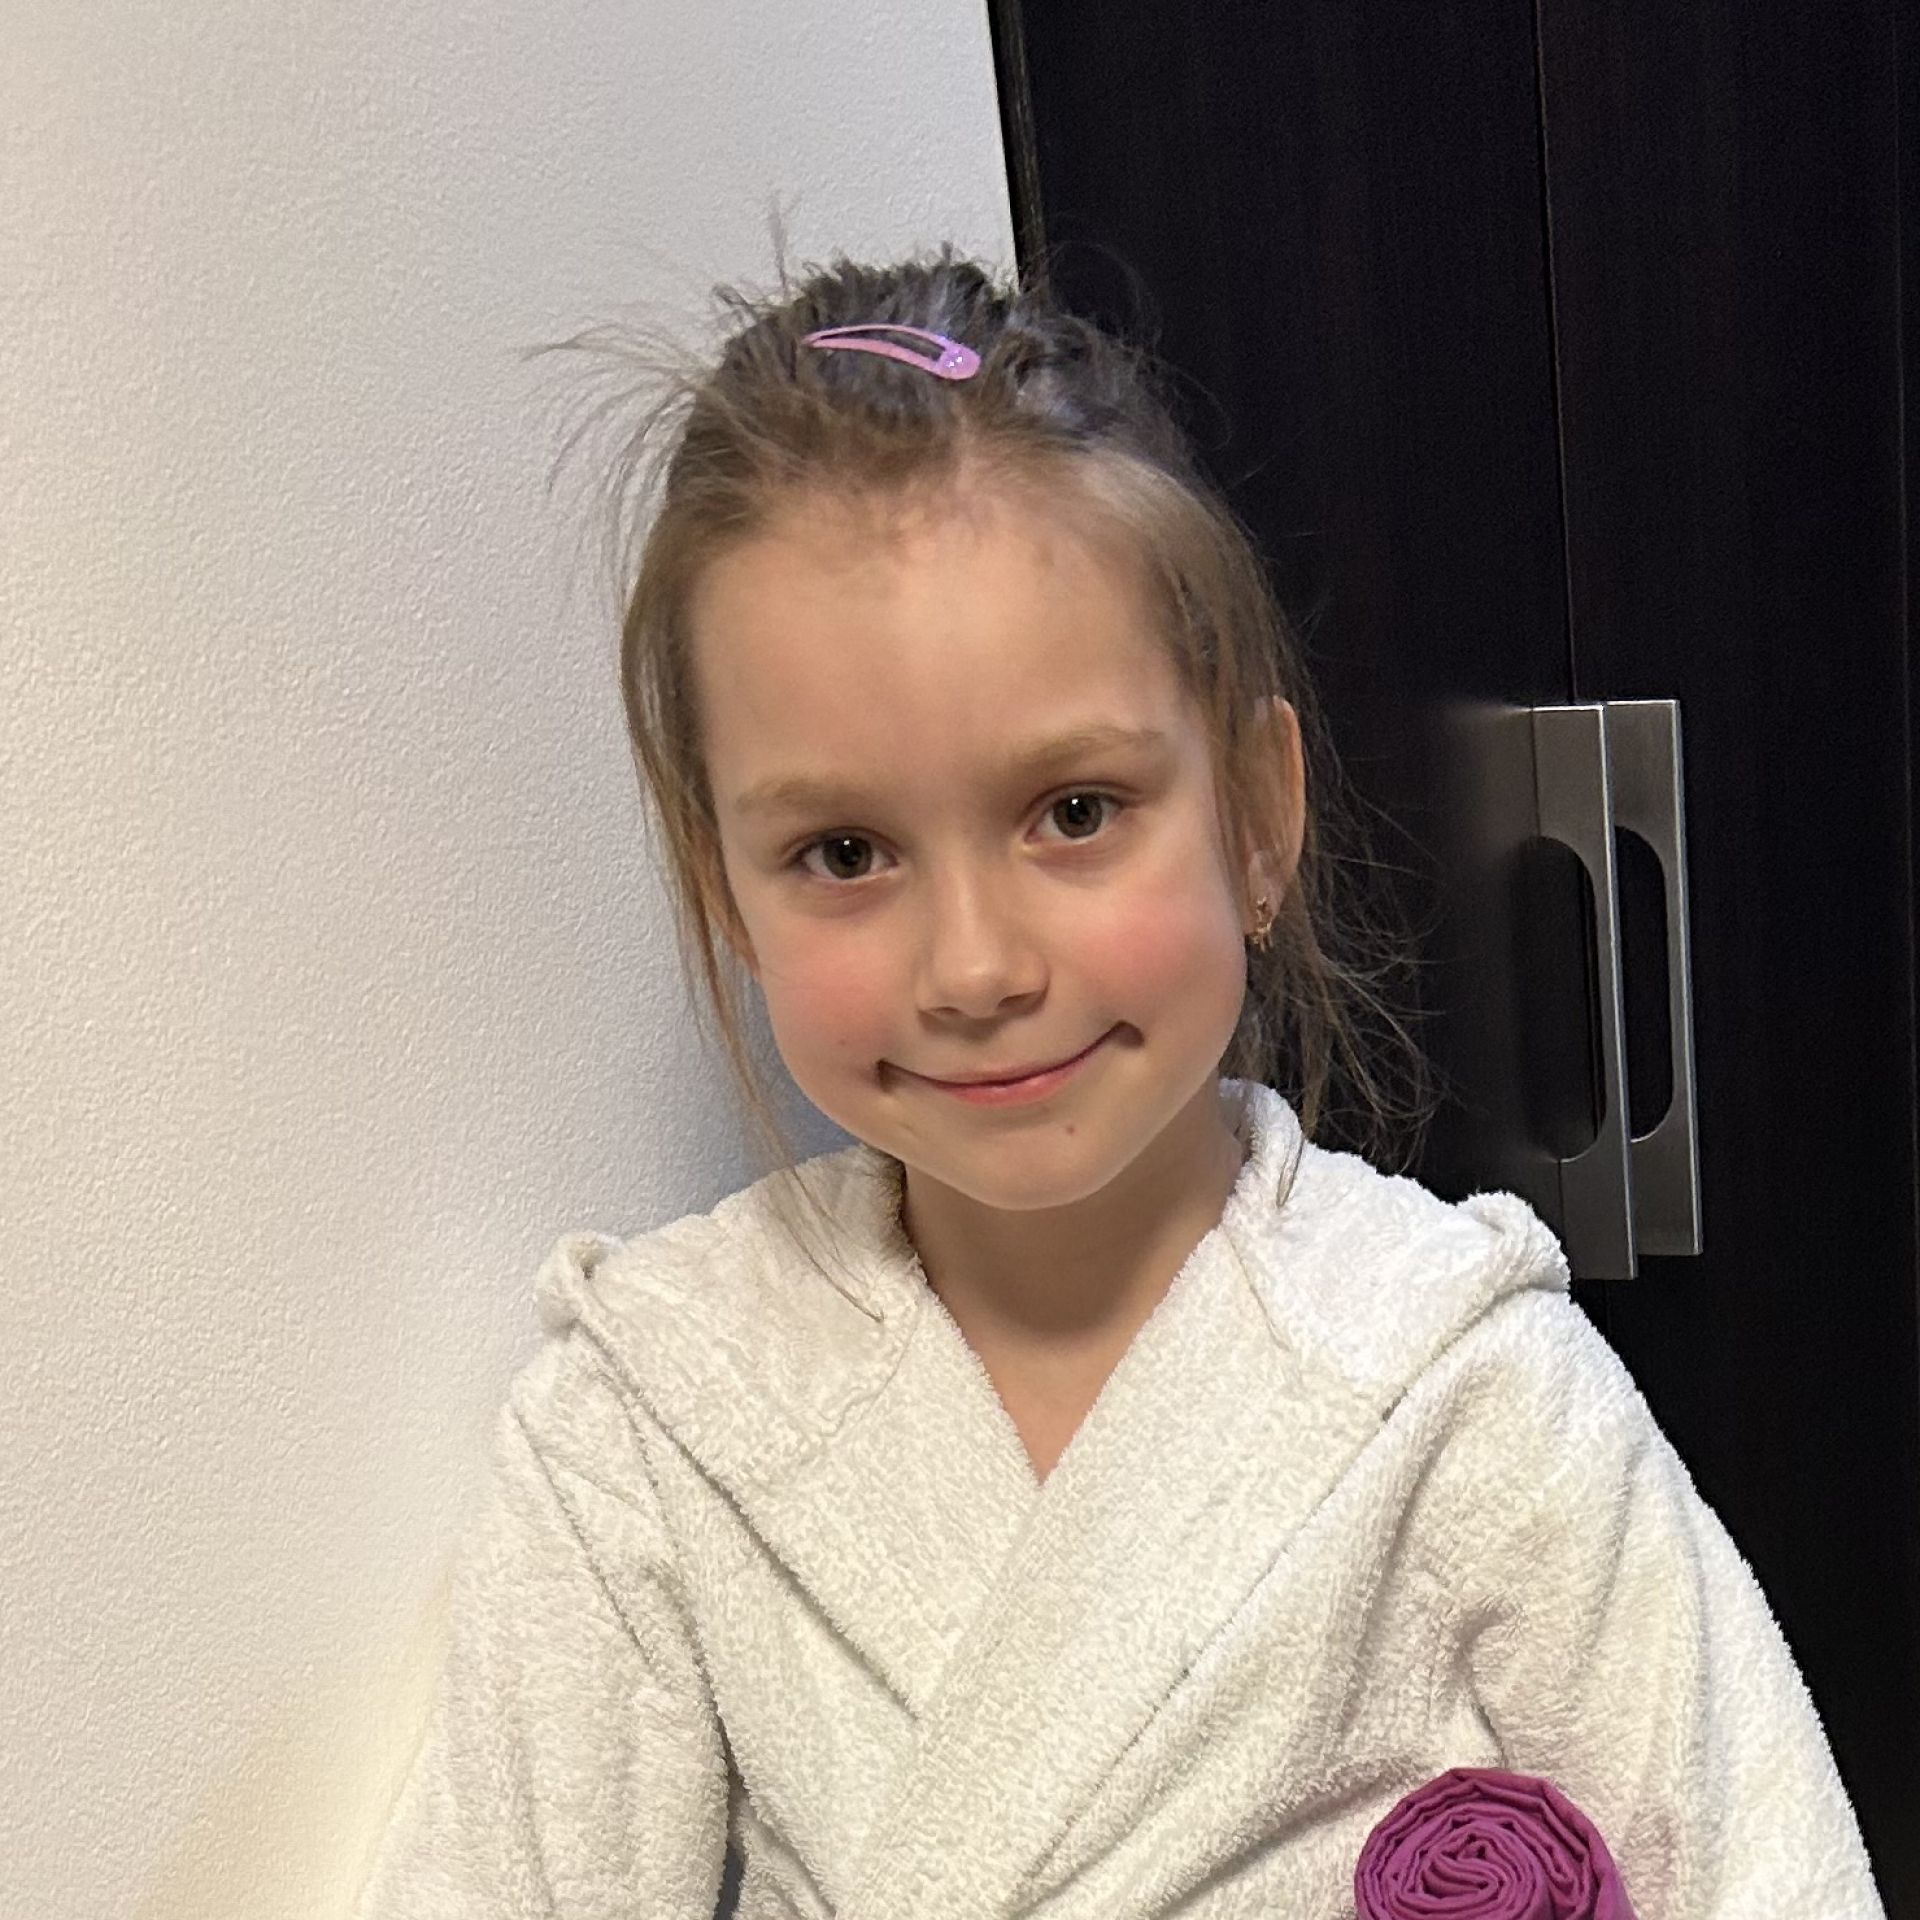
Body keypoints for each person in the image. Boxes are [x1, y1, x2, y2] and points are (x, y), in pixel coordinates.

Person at [354, 247, 1884, 1919]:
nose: (975, 966)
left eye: (1074, 813)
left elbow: (1772, 1875)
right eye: (844, 851)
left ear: (1258, 812)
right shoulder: (648, 1414)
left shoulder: (1462, 1381)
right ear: (726, 887)